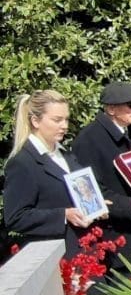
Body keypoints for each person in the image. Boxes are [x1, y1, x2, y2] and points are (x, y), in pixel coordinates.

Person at [72, 82, 131, 263]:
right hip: (114, 240)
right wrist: (128, 205)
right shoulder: (88, 140)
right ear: (112, 109)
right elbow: (89, 193)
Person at [4, 90, 94, 257]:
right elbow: (15, 217)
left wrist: (97, 206)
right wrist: (64, 215)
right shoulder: (23, 162)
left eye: (66, 119)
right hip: (56, 256)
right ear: (35, 121)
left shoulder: (66, 155)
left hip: (85, 250)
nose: (65, 126)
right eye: (57, 120)